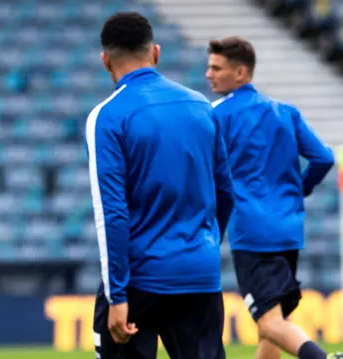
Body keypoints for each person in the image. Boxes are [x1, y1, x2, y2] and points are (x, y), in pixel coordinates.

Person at [87, 12, 234, 359]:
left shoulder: (107, 116)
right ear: (155, 52)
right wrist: (206, 244)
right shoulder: (201, 106)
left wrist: (117, 296)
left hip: (140, 282)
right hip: (199, 275)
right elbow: (225, 191)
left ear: (105, 59)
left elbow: (111, 213)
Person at [206, 36, 341, 359]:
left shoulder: (217, 114)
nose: (208, 74)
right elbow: (323, 158)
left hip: (253, 232)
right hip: (288, 228)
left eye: (216, 67)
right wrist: (299, 190)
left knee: (268, 321)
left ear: (241, 73)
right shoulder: (285, 112)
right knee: (276, 320)